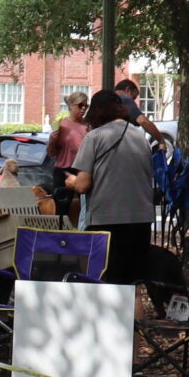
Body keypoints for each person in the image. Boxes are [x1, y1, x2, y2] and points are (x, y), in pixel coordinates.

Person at [70, 88, 158, 290]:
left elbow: (83, 185)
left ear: (96, 112)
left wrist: (72, 181)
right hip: (141, 220)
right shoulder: (140, 137)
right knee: (133, 286)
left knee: (105, 284)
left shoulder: (94, 137)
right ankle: (135, 322)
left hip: (107, 220)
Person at [46, 90, 90, 219]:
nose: (83, 109)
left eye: (86, 106)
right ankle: (61, 236)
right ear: (71, 105)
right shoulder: (61, 125)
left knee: (84, 210)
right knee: (62, 211)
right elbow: (51, 153)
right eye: (80, 105)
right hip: (63, 171)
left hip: (82, 171)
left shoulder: (88, 125)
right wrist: (52, 140)